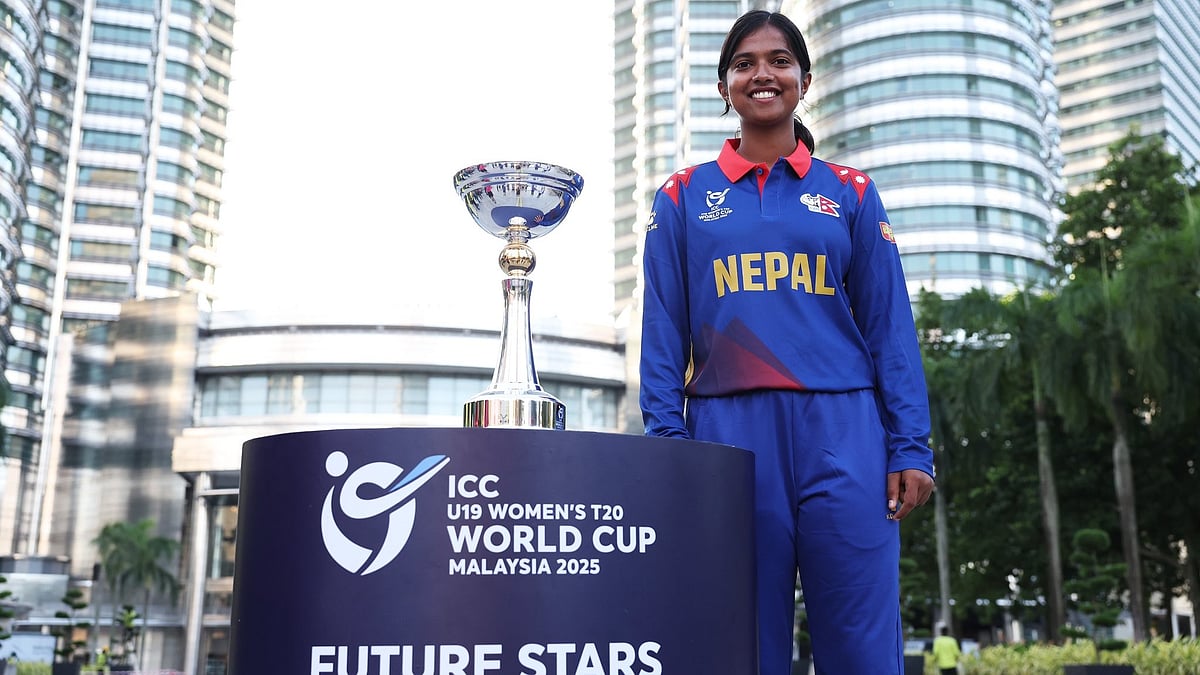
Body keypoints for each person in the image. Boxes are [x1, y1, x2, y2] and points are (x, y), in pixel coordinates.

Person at [638, 9, 935, 675]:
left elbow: (890, 328)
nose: (762, 73)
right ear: (723, 87)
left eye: (778, 60)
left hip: (846, 430)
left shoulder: (852, 193)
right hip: (727, 434)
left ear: (805, 78)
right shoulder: (683, 196)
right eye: (744, 63)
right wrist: (670, 450)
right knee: (740, 645)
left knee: (861, 645)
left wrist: (910, 445)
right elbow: (662, 334)